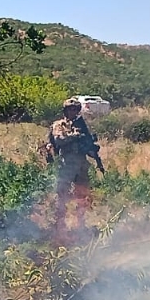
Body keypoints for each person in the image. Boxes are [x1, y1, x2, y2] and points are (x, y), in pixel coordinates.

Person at [42, 98, 104, 237]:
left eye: (76, 109)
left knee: (82, 195)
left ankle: (80, 224)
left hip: (81, 164)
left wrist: (92, 149)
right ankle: (59, 226)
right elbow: (59, 140)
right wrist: (74, 136)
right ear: (65, 110)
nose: (73, 111)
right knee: (62, 194)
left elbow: (86, 145)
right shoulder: (60, 125)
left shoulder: (81, 125)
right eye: (71, 109)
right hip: (67, 164)